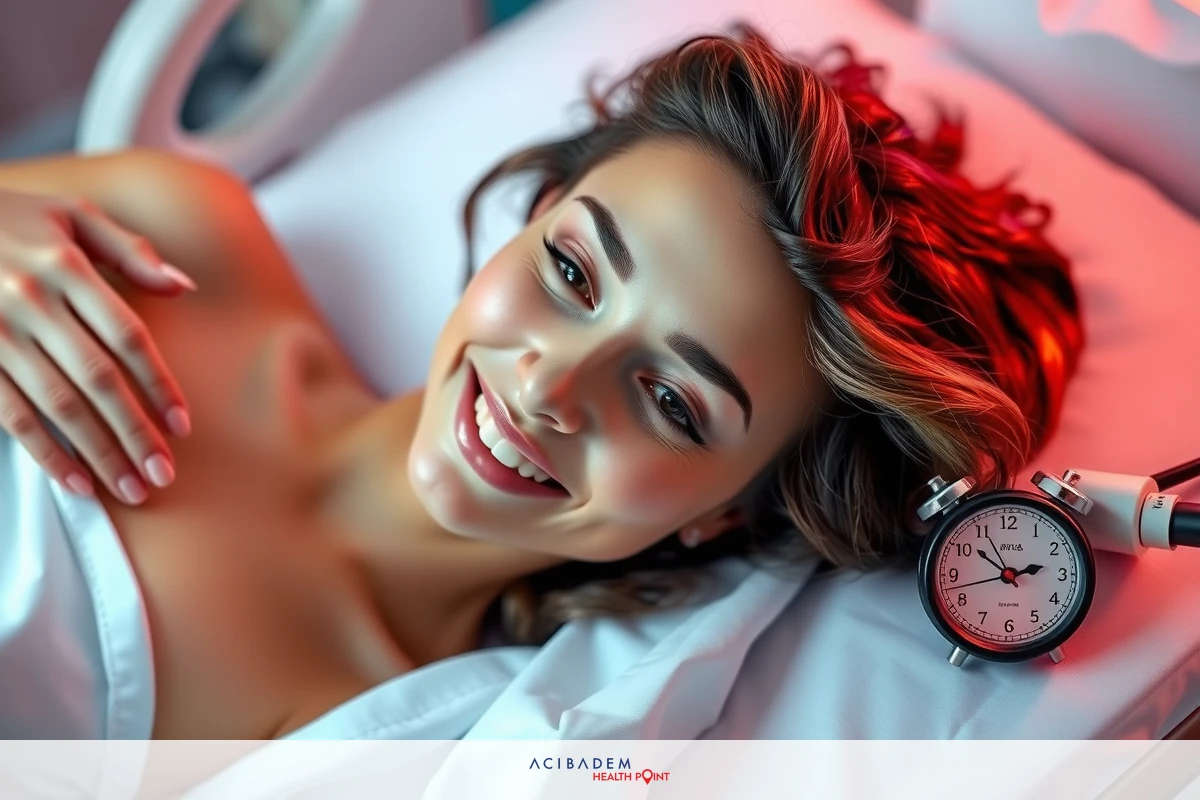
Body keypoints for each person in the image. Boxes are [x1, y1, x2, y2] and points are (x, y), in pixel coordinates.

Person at [0, 23, 1083, 739]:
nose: (552, 386)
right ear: (532, 215)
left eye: (670, 400)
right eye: (572, 270)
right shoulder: (183, 243)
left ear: (725, 514)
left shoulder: (418, 742)